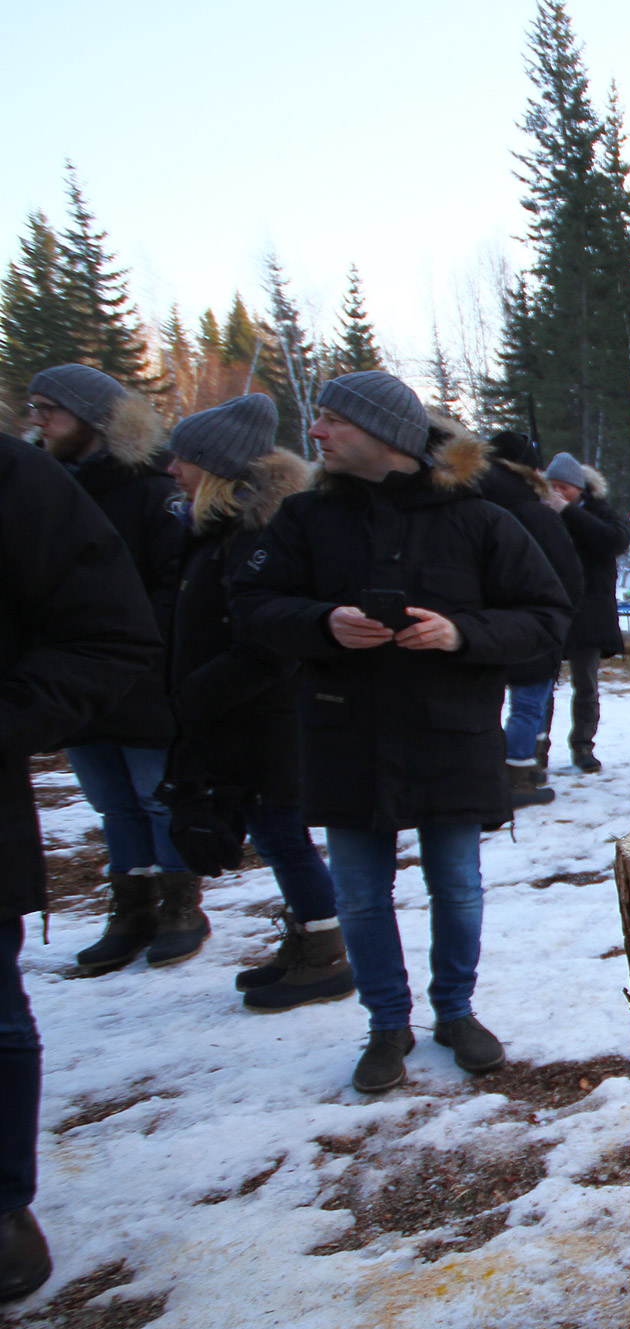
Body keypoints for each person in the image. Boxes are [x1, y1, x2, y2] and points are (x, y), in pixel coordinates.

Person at [232, 370, 571, 1094]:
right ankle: (387, 1023)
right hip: (343, 733)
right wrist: (321, 623)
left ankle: (455, 1011)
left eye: (330, 420)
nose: (316, 432)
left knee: (458, 888)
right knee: (358, 894)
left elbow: (546, 614)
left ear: (383, 432)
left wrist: (460, 633)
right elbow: (252, 605)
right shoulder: (303, 519)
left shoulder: (478, 518)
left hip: (450, 733)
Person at [1, 431, 164, 1300]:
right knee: (120, 813)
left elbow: (110, 627)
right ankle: (137, 905)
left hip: (151, 712)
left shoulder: (14, 476)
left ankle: (2, 1205)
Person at [163, 393, 354, 1011]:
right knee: (276, 835)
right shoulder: (220, 536)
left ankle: (325, 950)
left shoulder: (253, 539)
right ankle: (310, 936)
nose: (171, 470)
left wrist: (190, 694)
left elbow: (266, 645)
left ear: (216, 470)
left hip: (269, 719)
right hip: (242, 715)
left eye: (184, 459)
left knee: (283, 834)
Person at [25, 364, 199, 974]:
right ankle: (132, 909)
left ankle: (181, 904)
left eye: (50, 408)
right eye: (34, 408)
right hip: (69, 683)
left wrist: (122, 643)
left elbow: (175, 584)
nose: (37, 420)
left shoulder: (153, 490)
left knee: (155, 798)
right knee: (112, 805)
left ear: (93, 418)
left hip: (142, 676)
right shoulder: (38, 488)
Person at [480, 432, 584, 808]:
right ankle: (518, 778)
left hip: (480, 625)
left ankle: (510, 770)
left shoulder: (472, 501)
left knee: (495, 704)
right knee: (528, 705)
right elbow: (568, 575)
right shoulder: (534, 513)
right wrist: (557, 618)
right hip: (530, 623)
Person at [542, 452, 629, 773]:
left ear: (579, 489)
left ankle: (583, 746)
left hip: (589, 613)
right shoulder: (536, 512)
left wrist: (566, 512)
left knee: (586, 686)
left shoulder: (600, 513)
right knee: (540, 686)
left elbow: (614, 541)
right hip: (547, 610)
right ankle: (536, 751)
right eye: (552, 486)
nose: (557, 492)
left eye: (564, 487)